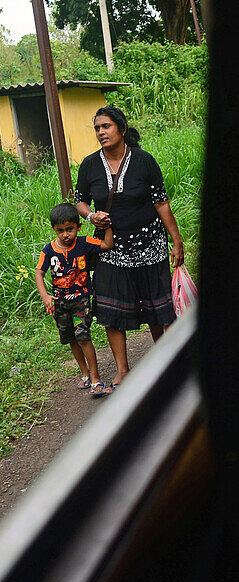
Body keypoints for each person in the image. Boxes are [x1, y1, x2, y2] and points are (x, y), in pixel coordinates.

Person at [74, 106, 185, 387]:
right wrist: (91, 216)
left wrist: (177, 240)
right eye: (97, 127)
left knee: (157, 307)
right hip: (111, 247)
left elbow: (161, 202)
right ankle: (123, 370)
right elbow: (80, 200)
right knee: (112, 309)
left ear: (121, 129)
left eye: (106, 126)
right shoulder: (89, 165)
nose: (101, 132)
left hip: (150, 244)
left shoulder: (144, 161)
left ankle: (166, 360)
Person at [36, 202, 114, 398]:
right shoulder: (49, 250)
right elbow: (39, 273)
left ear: (78, 227)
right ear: (53, 229)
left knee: (83, 336)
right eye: (60, 230)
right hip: (60, 303)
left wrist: (108, 226)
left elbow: (107, 244)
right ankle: (85, 373)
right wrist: (45, 295)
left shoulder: (84, 243)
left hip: (81, 300)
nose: (65, 235)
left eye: (70, 229)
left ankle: (96, 378)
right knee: (71, 338)